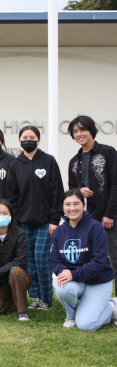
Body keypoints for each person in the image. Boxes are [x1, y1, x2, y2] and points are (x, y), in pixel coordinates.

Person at [6, 125, 64, 311]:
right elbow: (12, 197)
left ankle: (47, 299)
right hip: (23, 222)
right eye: (25, 137)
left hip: (45, 222)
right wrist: (14, 223)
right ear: (19, 140)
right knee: (28, 261)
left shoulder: (49, 161)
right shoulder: (15, 164)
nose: (28, 139)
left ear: (38, 140)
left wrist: (55, 220)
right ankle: (35, 297)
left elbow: (57, 192)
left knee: (41, 259)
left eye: (32, 137)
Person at [51, 189, 117, 330]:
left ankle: (112, 306)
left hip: (98, 281)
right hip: (76, 281)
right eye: (68, 204)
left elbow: (99, 262)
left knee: (87, 325)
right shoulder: (59, 232)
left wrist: (73, 274)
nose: (72, 208)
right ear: (63, 207)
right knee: (62, 287)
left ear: (83, 205)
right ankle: (71, 317)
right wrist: (63, 272)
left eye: (76, 204)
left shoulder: (96, 228)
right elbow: (55, 260)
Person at [67, 115, 117, 288]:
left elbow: (115, 183)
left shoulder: (108, 152)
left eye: (82, 129)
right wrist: (79, 191)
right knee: (89, 258)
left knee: (115, 258)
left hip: (109, 217)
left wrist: (110, 213)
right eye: (75, 131)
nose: (79, 134)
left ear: (91, 131)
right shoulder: (74, 162)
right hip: (86, 219)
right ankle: (92, 295)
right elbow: (72, 192)